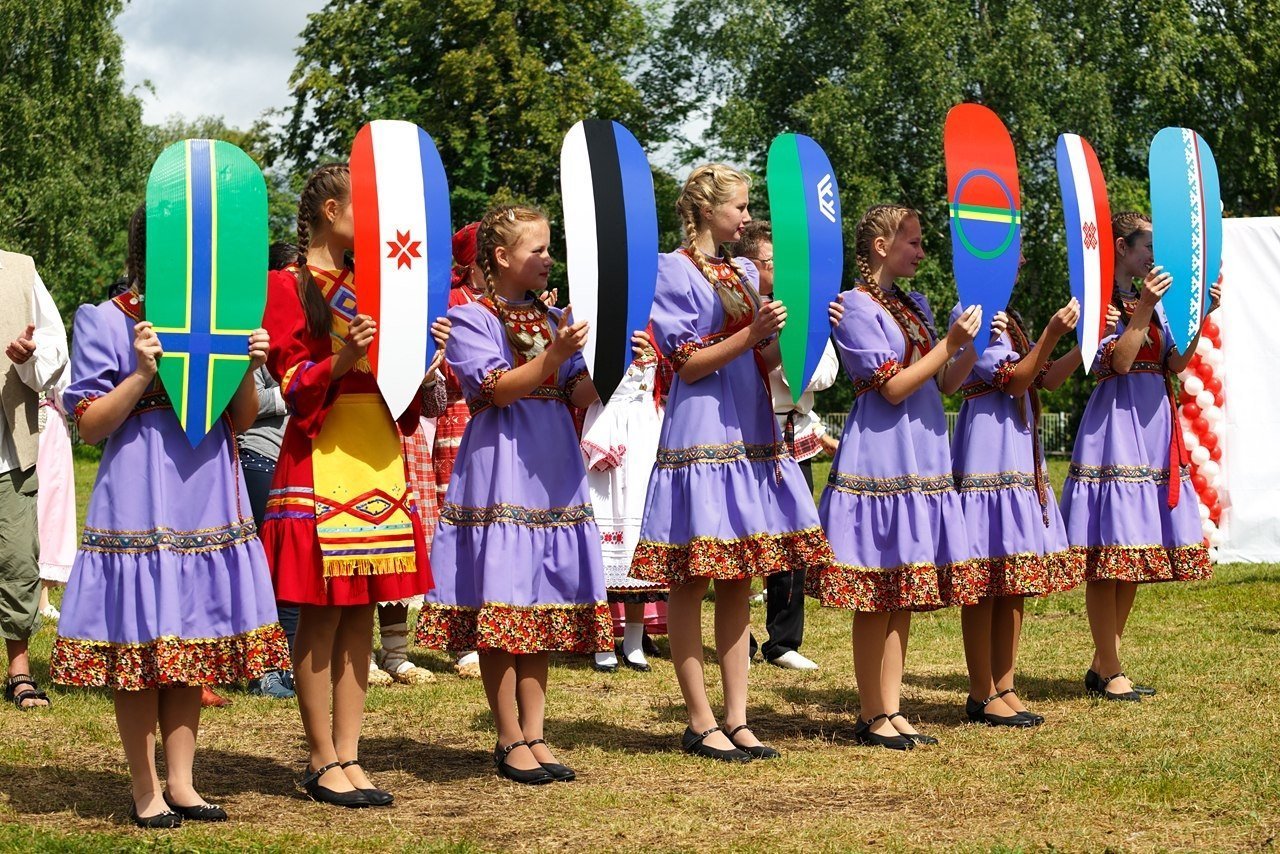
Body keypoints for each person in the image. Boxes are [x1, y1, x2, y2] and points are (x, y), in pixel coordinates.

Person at [51, 205, 289, 826]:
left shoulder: (218, 321)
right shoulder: (103, 319)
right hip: (137, 491)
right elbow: (89, 426)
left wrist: (248, 366)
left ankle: (182, 783)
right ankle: (144, 788)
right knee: (140, 644)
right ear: (152, 252)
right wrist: (140, 376)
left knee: (191, 640)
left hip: (207, 485)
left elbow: (238, 419)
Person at [629, 165, 833, 763]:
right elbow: (685, 363)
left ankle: (739, 717)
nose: (747, 219)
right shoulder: (670, 270)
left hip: (750, 424)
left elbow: (765, 353)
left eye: (748, 208)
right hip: (700, 427)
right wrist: (751, 337)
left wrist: (799, 333)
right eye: (739, 208)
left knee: (740, 573)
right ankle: (699, 719)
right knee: (692, 577)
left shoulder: (744, 270)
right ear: (706, 209)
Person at [260, 164, 439, 808]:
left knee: (363, 610)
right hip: (320, 450)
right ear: (332, 210)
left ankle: (352, 754)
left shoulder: (378, 286)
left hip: (376, 449)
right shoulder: (286, 285)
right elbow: (288, 378)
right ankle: (319, 758)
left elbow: (402, 388)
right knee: (324, 610)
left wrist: (425, 359)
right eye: (363, 210)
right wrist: (340, 360)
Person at [415, 204, 610, 785]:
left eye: (550, 248)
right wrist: (553, 355)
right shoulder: (471, 315)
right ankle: (508, 737)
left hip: (553, 461)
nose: (549, 258)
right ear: (501, 258)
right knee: (505, 598)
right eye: (538, 249)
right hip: (501, 461)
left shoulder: (554, 317)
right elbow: (496, 390)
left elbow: (578, 392)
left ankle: (537, 731)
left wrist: (614, 365)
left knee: (541, 597)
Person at [807, 204, 980, 750]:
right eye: (912, 241)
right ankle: (870, 712)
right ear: (881, 245)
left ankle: (893, 708)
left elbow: (945, 384)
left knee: (902, 589)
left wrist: (966, 343)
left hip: (922, 452)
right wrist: (947, 345)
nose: (922, 251)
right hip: (881, 455)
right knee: (877, 590)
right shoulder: (853, 308)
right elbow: (892, 387)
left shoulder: (914, 305)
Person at [1060, 211, 1218, 701]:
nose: (1153, 255)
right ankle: (1109, 669)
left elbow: (1173, 362)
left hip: (1153, 424)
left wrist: (1198, 318)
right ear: (1122, 247)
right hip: (1116, 427)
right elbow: (1122, 361)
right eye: (1146, 245)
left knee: (1133, 554)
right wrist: (1144, 308)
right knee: (1110, 554)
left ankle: (1103, 663)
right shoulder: (1101, 303)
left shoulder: (1153, 301)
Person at [942, 262, 1087, 726]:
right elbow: (1015, 379)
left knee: (1014, 577)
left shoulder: (1008, 317)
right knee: (985, 577)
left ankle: (1005, 685)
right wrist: (1050, 334)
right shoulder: (969, 313)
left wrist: (1082, 343)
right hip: (989, 450)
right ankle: (980, 691)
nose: (1020, 261)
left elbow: (1045, 379)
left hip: (1018, 452)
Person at [731, 221, 837, 671]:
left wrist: (796, 366)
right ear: (753, 265)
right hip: (743, 431)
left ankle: (783, 640)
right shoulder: (737, 310)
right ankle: (736, 639)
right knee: (737, 536)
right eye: (774, 262)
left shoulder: (802, 308)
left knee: (794, 536)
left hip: (793, 431)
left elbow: (826, 370)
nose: (782, 270)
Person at [0, 244, 68, 711]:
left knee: (18, 563)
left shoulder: (20, 269)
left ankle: (19, 671)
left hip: (8, 451)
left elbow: (53, 348)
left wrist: (28, 357)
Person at [581, 328, 669, 673]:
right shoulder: (599, 323)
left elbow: (669, 381)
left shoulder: (658, 331)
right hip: (608, 418)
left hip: (646, 430)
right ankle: (601, 639)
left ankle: (634, 637)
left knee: (639, 533)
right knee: (603, 525)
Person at [241, 241, 305, 701]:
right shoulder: (253, 332)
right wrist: (298, 389)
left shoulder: (303, 330)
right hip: (258, 457)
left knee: (292, 572)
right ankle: (264, 670)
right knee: (267, 572)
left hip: (294, 461)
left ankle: (288, 664)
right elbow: (245, 401)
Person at [434, 222, 484, 679]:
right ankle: (461, 637)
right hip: (459, 417)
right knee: (465, 526)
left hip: (496, 417)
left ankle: (489, 624)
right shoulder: (454, 303)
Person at [36, 373, 75, 621]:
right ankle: (40, 599)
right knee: (47, 507)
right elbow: (65, 394)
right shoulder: (52, 336)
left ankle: (42, 597)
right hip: (46, 426)